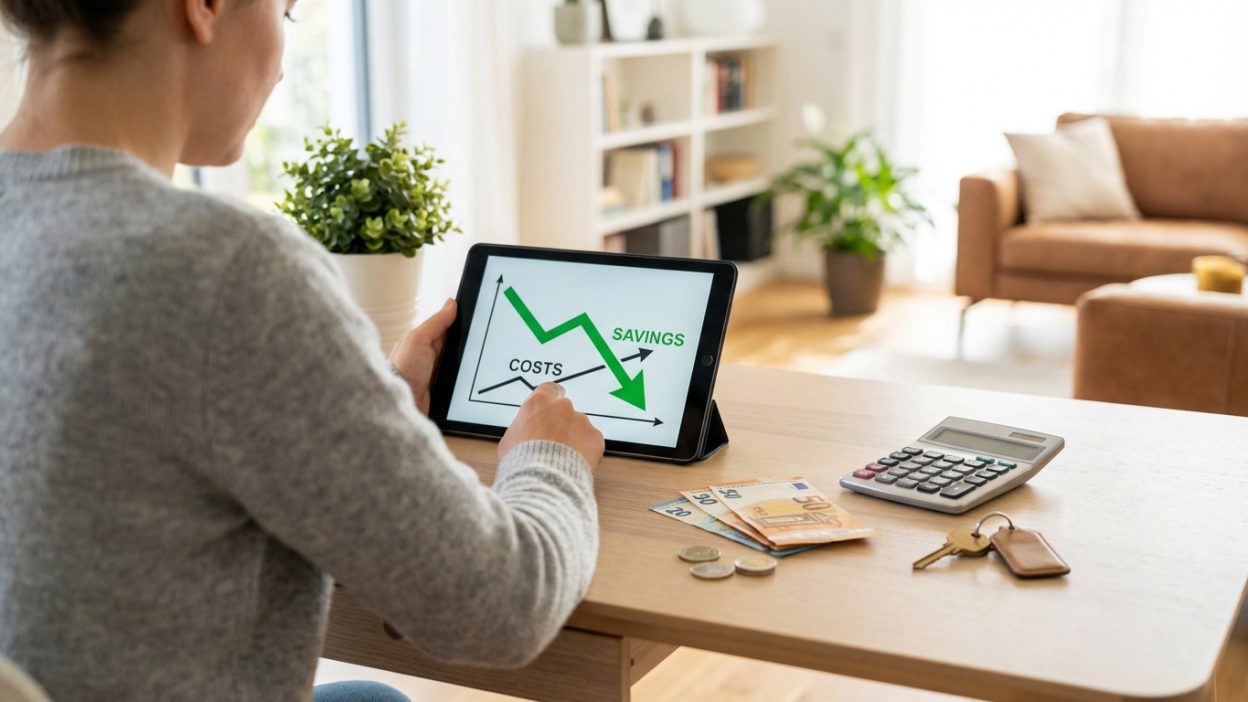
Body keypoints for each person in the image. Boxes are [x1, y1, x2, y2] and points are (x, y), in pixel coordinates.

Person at [0, 1, 605, 701]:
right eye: (286, 12)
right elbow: (500, 604)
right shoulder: (223, 267)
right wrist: (549, 455)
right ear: (205, 7)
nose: (284, 67)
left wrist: (369, 400)